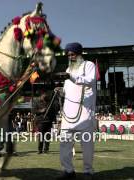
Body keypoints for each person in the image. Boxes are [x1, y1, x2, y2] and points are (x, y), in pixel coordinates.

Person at [56, 42, 97, 179]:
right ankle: (68, 171)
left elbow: (90, 80)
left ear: (80, 54)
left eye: (72, 54)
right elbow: (67, 91)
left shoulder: (89, 65)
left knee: (86, 145)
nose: (70, 57)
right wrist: (60, 91)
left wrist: (71, 77)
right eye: (68, 55)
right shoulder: (68, 69)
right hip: (68, 113)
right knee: (65, 144)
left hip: (84, 112)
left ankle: (88, 172)